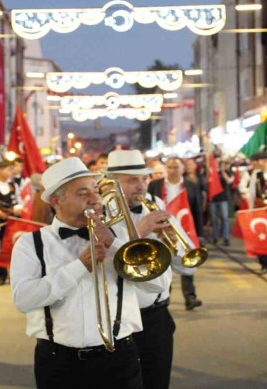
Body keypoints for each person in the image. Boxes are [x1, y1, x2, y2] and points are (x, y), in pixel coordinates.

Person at [11, 157, 168, 389]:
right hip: (58, 361)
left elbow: (157, 285)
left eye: (95, 190)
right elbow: (23, 300)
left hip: (120, 358)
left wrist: (115, 245)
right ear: (56, 200)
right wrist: (80, 266)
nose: (95, 199)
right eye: (83, 193)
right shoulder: (30, 243)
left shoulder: (122, 232)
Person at [106, 150, 196, 389]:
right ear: (112, 183)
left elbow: (184, 268)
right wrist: (139, 231)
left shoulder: (157, 205)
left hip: (156, 316)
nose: (141, 185)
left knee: (157, 381)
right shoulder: (99, 214)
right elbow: (106, 263)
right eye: (132, 180)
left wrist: (173, 245)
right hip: (119, 318)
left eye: (144, 179)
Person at [147, 157, 204, 311]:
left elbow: (197, 209)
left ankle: (190, 297)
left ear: (183, 169)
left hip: (186, 229)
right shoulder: (155, 185)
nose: (172, 170)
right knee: (165, 262)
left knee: (187, 260)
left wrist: (200, 233)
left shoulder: (190, 186)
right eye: (170, 167)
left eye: (176, 167)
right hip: (163, 229)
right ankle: (165, 295)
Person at [207, 155, 233, 246]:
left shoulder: (226, 172)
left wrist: (222, 171)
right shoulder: (210, 173)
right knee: (214, 219)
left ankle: (226, 238)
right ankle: (215, 237)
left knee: (225, 218)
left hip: (223, 199)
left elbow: (229, 181)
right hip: (213, 199)